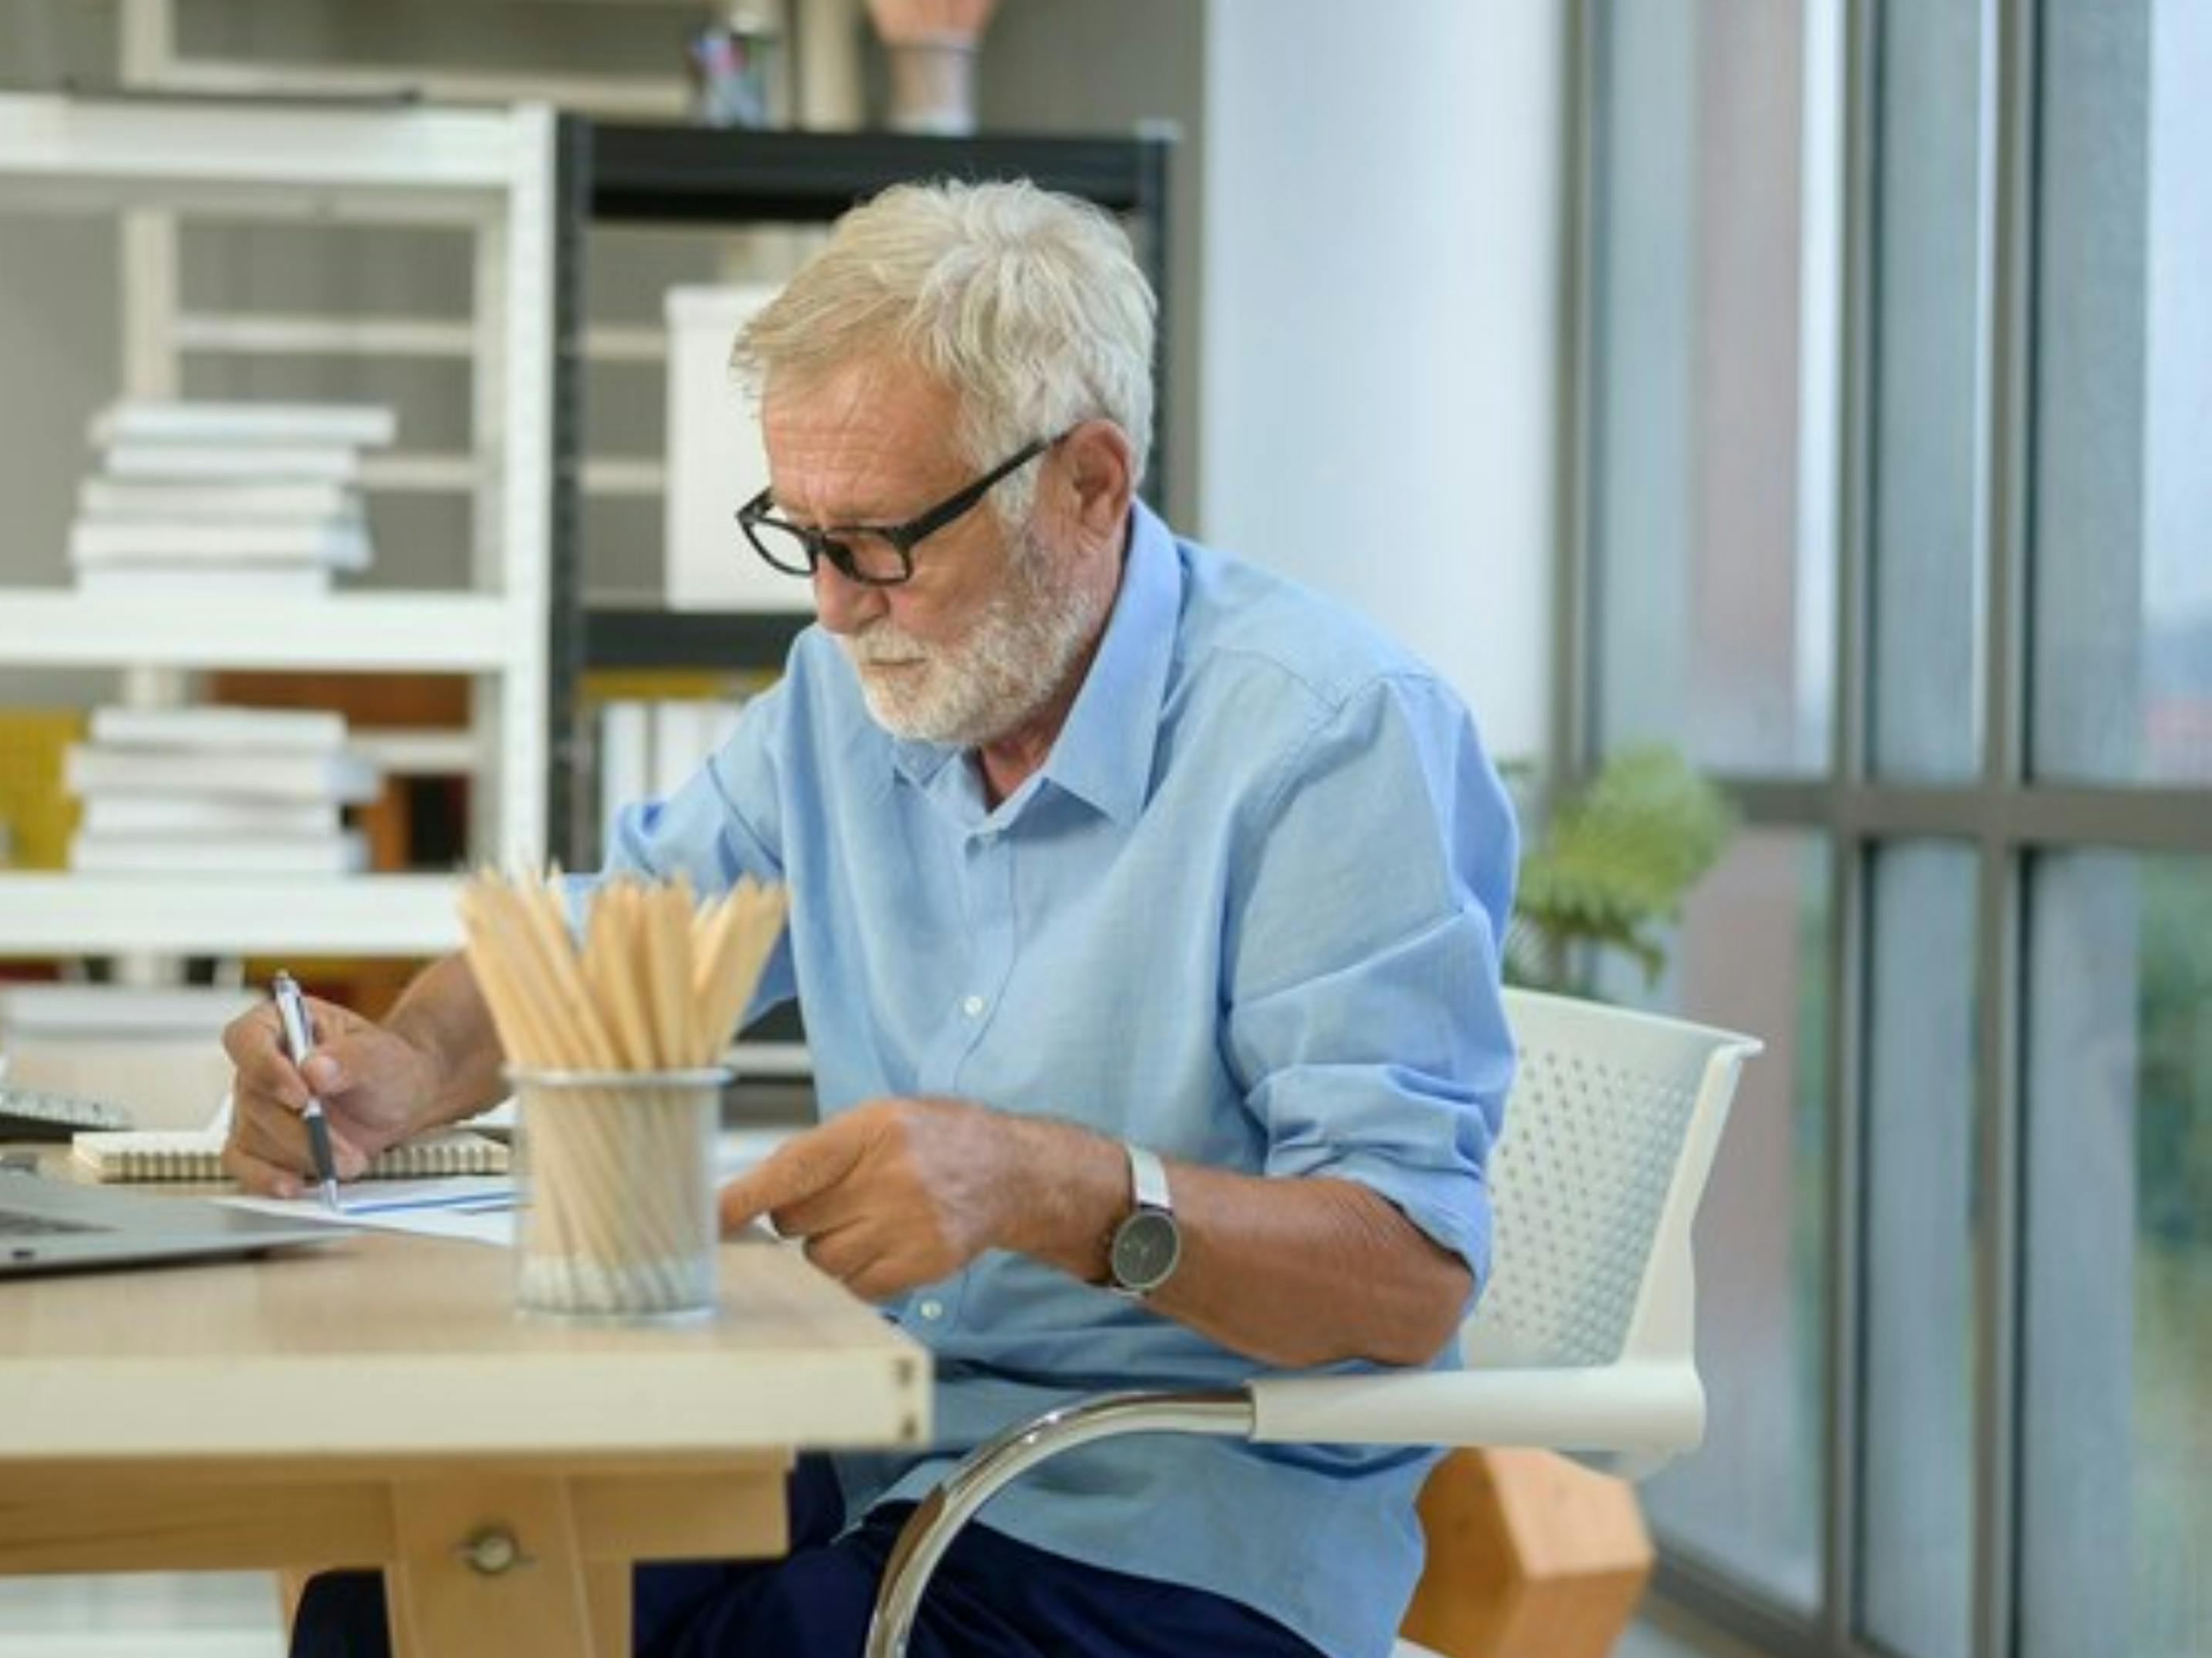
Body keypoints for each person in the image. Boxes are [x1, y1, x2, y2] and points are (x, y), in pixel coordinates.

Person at [224, 179, 1517, 1658]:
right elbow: (613, 936)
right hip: (855, 1437)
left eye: (882, 541)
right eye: (805, 534)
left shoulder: (1332, 742)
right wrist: (403, 1062)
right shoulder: (846, 702)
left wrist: (1048, 1190)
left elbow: (1407, 1276)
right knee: (399, 1609)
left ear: (1090, 484)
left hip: (1160, 1516)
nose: (836, 609)